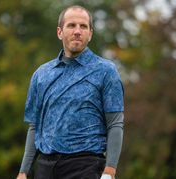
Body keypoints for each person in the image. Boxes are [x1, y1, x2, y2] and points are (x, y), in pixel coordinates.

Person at [17, 5, 125, 179]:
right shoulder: (41, 74)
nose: (77, 31)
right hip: (45, 167)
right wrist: (23, 171)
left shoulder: (106, 71)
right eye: (71, 25)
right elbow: (35, 127)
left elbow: (115, 124)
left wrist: (110, 171)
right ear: (60, 32)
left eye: (83, 26)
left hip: (85, 166)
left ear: (90, 34)